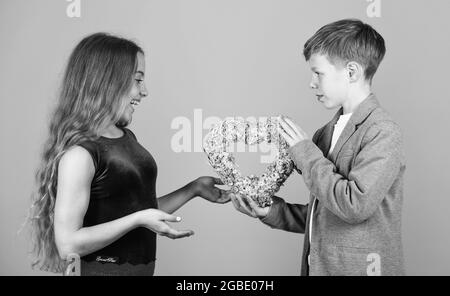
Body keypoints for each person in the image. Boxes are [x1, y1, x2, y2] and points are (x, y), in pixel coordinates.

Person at [29, 33, 230, 276]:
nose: (144, 91)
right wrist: (138, 219)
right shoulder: (80, 154)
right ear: (107, 81)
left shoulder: (127, 138)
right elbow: (68, 244)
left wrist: (193, 189)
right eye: (138, 80)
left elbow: (141, 212)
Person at [231, 19, 406, 276]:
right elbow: (324, 217)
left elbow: (353, 206)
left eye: (318, 73)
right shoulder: (324, 133)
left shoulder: (383, 131)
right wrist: (270, 211)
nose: (311, 83)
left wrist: (304, 152)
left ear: (351, 72)